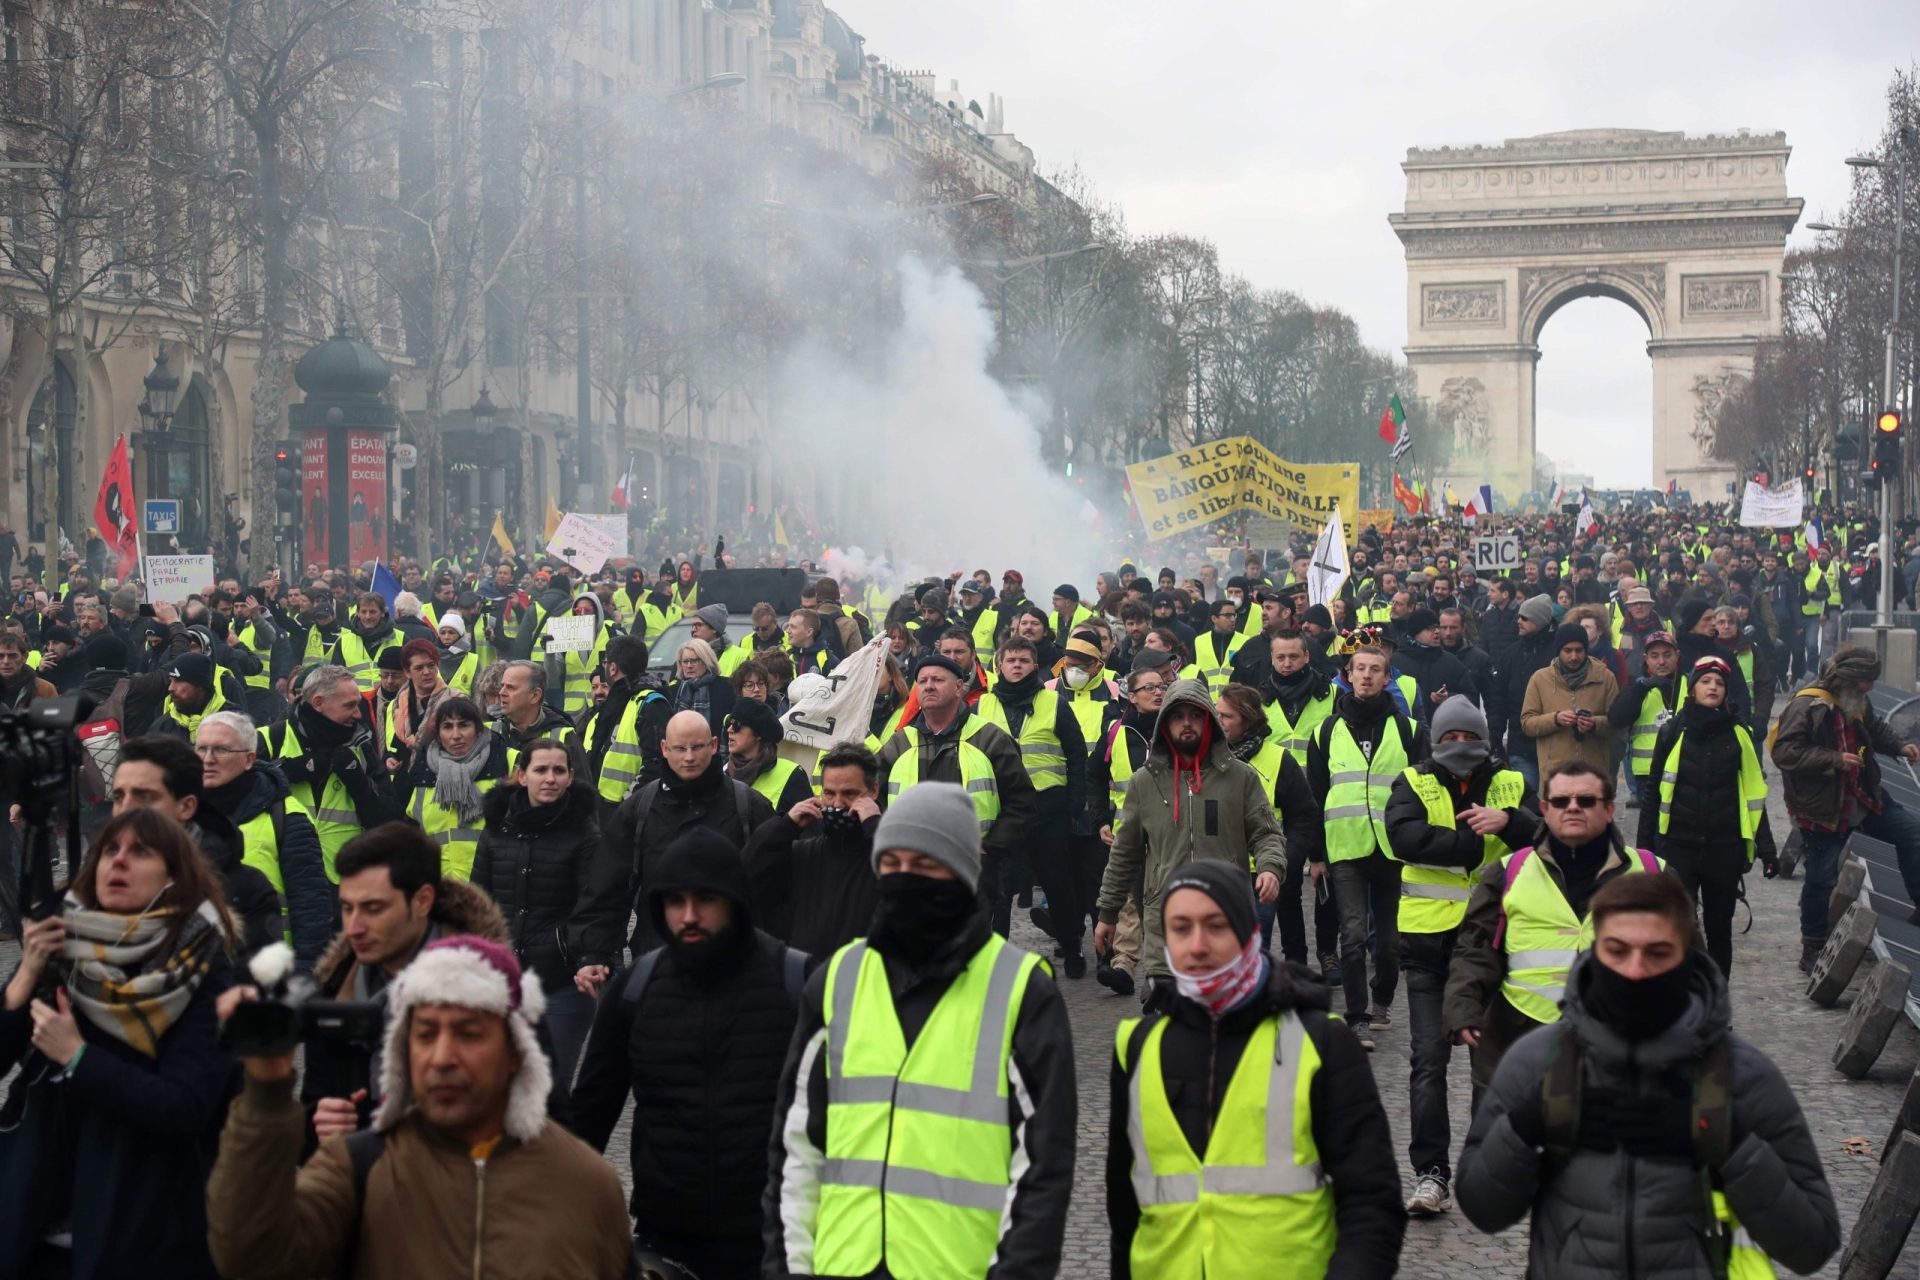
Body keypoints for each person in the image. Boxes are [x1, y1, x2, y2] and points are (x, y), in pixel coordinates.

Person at [1456, 872, 1841, 1278]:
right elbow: (1482, 1210)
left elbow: (1812, 1245)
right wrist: (1526, 1126)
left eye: (1657, 953)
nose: (1635, 971)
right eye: (1617, 951)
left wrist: (1725, 1141)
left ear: (1687, 956)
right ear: (1593, 951)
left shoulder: (1742, 1074)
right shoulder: (1539, 1062)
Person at [763, 783, 1076, 1278]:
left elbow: (1042, 1169)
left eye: (925, 866)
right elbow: (796, 1152)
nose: (905, 879)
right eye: (892, 865)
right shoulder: (837, 980)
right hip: (842, 1265)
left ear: (963, 873)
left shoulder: (1022, 991)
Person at [207, 935, 631, 1280]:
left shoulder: (586, 1184)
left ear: (516, 1052)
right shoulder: (357, 1168)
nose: (442, 1057)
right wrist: (265, 1090)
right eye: (425, 1034)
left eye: (468, 1034)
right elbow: (250, 1257)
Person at [1106, 861, 1405, 1277]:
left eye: (1215, 926)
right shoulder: (1137, 1047)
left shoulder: (1321, 1042)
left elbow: (1372, 1204)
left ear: (1249, 933)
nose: (1196, 945)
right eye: (1180, 928)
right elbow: (1125, 1213)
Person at [0, 809, 239, 1279]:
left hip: (136, 1228)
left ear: (175, 875)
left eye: (141, 852)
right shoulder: (66, 946)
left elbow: (185, 1106)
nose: (119, 862)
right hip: (33, 1221)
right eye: (110, 850)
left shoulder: (200, 969)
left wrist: (79, 1058)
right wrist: (28, 972)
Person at [574, 829, 803, 1276]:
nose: (690, 915)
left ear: (735, 900)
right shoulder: (635, 990)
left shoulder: (798, 983)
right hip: (666, 1239)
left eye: (706, 900)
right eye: (675, 901)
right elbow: (588, 1116)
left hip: (778, 1241)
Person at [1383, 695, 1536, 1218]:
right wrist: (1473, 842)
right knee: (1428, 1062)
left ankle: (1480, 1169)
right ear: (1435, 741)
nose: (1459, 748)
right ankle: (1431, 1175)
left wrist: (1510, 822)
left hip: (1493, 946)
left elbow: (1547, 833)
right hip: (1428, 946)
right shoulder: (1414, 779)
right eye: (1449, 740)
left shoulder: (1511, 782)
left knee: (1487, 1066)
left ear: (1483, 740)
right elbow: (1404, 837)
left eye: (1467, 738)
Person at [300, 822, 532, 1138]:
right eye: (346, 908)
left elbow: (541, 1119)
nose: (353, 927)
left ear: (423, 901)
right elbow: (312, 1117)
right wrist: (318, 1122)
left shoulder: (492, 990)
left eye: (373, 908)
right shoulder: (334, 990)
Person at [1445, 760, 1664, 1090]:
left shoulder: (1652, 872)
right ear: (1545, 810)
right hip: (1521, 1047)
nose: (1573, 808)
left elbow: (1689, 961)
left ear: (1609, 809)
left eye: (1586, 801)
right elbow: (1474, 950)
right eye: (1561, 801)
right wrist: (1462, 1009)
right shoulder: (1507, 872)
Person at [1092, 677, 1286, 997]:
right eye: (1178, 716)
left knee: (1225, 1026)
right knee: (1166, 1027)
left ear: (1209, 720)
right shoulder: (1145, 782)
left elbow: (1267, 833)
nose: (1186, 724)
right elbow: (1124, 855)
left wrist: (1270, 868)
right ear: (1164, 724)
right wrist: (1107, 913)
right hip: (1165, 926)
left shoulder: (1240, 777)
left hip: (1225, 921)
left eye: (1195, 715)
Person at [1305, 643, 1426, 1051]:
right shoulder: (1326, 730)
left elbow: (1423, 790)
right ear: (1349, 675)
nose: (1368, 676)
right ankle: (1356, 1016)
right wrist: (1316, 855)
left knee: (1389, 943)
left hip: (1394, 849)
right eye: (1361, 669)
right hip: (1345, 847)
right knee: (1353, 935)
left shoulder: (1409, 730)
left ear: (1387, 678)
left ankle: (1383, 1002)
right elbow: (1315, 796)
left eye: (1376, 669)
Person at [471, 738, 609, 1090]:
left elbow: (594, 907)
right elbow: (478, 905)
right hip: (503, 981)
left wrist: (587, 957)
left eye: (558, 771)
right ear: (521, 775)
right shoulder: (495, 831)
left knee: (548, 1090)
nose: (550, 778)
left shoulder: (585, 836)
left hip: (560, 981)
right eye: (541, 770)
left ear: (570, 777)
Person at [1772, 645, 1920, 972]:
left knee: (1911, 834)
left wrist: (1898, 745)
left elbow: (1873, 727)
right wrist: (1834, 760)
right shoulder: (1807, 705)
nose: (1870, 688)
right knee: (1821, 877)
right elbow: (1785, 752)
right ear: (1851, 680)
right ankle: (1812, 947)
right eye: (1867, 681)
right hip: (1823, 807)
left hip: (1862, 796)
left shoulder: (1855, 698)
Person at [874, 653, 1037, 933]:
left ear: (959, 687)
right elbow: (874, 799)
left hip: (974, 872)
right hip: (912, 874)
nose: (928, 686)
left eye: (938, 680)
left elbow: (1022, 803)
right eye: (922, 681)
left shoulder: (989, 738)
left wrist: (990, 848)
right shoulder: (900, 744)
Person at [1638, 656, 1773, 977]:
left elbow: (1755, 795)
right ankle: (1682, 1002)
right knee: (1679, 929)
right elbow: (1653, 792)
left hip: (1723, 848)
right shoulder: (1672, 732)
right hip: (1678, 845)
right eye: (1706, 681)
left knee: (1719, 933)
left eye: (1719, 683)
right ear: (1693, 688)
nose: (1713, 687)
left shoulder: (1740, 734)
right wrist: (1645, 848)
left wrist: (1767, 850)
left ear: (1726, 692)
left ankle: (1716, 1006)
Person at [606, 709, 776, 955]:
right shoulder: (639, 808)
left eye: (697, 747)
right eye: (680, 748)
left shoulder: (749, 806)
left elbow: (773, 888)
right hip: (659, 957)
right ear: (665, 748)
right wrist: (595, 954)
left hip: (732, 958)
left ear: (714, 745)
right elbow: (609, 885)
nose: (689, 757)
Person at [111, 733, 286, 961]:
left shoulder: (243, 890)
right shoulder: (92, 882)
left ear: (186, 806)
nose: (125, 809)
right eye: (118, 796)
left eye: (144, 796)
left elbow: (256, 987)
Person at [976, 633, 1089, 971]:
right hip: (1001, 810)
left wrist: (1072, 808)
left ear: (1034, 666)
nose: (1016, 666)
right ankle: (994, 958)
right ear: (999, 665)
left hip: (1047, 810)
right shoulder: (981, 705)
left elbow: (1077, 756)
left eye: (1023, 660)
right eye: (1010, 660)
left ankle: (1072, 950)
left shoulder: (1054, 703)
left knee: (1058, 885)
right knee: (998, 889)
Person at [191, 711, 334, 967]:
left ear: (249, 759)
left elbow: (311, 907)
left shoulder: (287, 816)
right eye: (201, 749)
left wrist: (304, 979)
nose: (208, 759)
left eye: (221, 750)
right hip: (191, 974)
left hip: (267, 972)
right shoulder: (179, 813)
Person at [1086, 652, 1176, 996]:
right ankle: (1124, 965)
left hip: (1173, 833)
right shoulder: (1116, 734)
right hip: (1128, 834)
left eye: (1162, 686)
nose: (1158, 692)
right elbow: (1094, 776)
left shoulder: (1178, 729)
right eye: (1149, 688)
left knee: (1159, 901)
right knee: (1127, 899)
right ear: (1131, 696)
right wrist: (1100, 820)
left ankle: (1160, 969)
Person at [746, 743, 885, 957]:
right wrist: (784, 827)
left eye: (849, 794)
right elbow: (748, 879)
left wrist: (875, 827)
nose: (838, 804)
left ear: (873, 791)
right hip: (805, 981)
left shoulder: (886, 857)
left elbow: (908, 891)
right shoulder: (804, 853)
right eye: (829, 793)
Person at [1213, 683, 1321, 956]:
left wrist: (1286, 860)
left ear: (1248, 721)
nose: (1217, 722)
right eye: (1216, 714)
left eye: (1226, 716)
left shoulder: (1278, 759)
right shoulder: (1205, 758)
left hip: (1263, 873)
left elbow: (1303, 816)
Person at [397, 694, 510, 881]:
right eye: (447, 727)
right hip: (441, 888)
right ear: (439, 735)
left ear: (478, 730)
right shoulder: (421, 773)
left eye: (464, 725)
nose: (456, 735)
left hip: (492, 885)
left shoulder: (507, 761)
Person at [1520, 622, 1618, 778]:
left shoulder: (1605, 678)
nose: (1574, 656)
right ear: (1558, 651)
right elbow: (1527, 724)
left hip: (1594, 775)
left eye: (1579, 650)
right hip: (1555, 776)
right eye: (1568, 651)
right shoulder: (1540, 679)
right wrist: (1555, 719)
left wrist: (1594, 723)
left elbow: (1616, 724)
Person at [1607, 629, 1685, 806]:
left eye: (1667, 655)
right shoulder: (1637, 689)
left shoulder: (1691, 685)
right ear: (1646, 659)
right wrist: (1643, 688)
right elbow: (1615, 718)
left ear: (1677, 656)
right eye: (1655, 656)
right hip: (1649, 774)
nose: (1661, 661)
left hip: (1686, 770)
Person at [1491, 594, 1556, 788]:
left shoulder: (1559, 652)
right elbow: (1498, 699)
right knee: (1525, 807)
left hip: (1554, 744)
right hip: (1520, 745)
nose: (1519, 621)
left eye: (1525, 618)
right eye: (1519, 616)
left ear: (1540, 620)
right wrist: (1495, 735)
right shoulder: (1511, 654)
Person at [492, 659, 590, 777]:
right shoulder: (490, 732)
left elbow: (583, 791)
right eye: (502, 686)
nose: (502, 692)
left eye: (511, 687)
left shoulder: (565, 737)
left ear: (535, 695)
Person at [726, 695, 812, 810]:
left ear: (759, 734)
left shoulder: (792, 775)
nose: (729, 730)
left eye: (737, 725)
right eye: (729, 723)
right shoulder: (724, 771)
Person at [330, 591, 403, 692]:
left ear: (383, 613)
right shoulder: (343, 642)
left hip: (392, 701)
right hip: (357, 703)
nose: (368, 617)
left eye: (372, 612)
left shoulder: (402, 638)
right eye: (363, 612)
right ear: (358, 614)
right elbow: (335, 680)